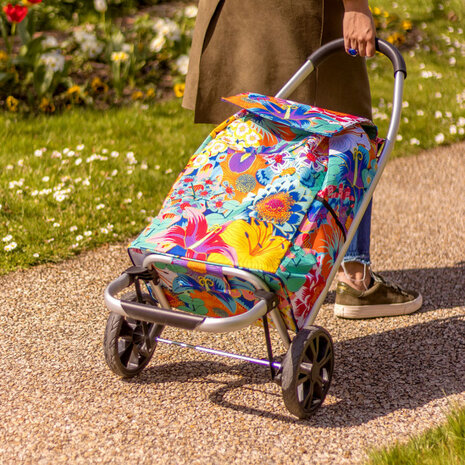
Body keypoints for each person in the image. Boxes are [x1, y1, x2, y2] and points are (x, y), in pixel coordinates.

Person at [183, 0, 422, 319]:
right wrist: (355, 8)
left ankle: (236, 269)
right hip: (299, 13)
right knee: (347, 128)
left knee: (254, 128)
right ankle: (354, 279)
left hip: (236, 11)